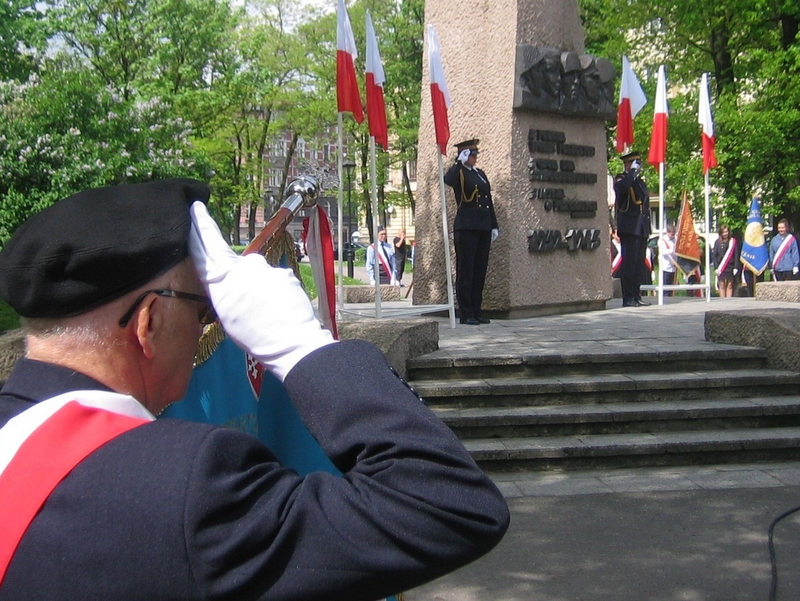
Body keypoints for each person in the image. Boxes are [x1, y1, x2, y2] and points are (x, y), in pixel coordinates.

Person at [0, 179, 509, 600]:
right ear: (149, 324)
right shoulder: (188, 486)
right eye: (204, 310)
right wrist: (301, 344)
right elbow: (453, 505)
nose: (209, 329)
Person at [443, 139, 499, 325]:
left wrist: (494, 224)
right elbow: (447, 180)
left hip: (483, 226)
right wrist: (458, 162)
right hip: (466, 226)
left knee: (479, 271)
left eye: (475, 155)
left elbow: (488, 200)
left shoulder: (480, 174)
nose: (475, 158)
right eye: (471, 154)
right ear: (465, 155)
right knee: (466, 271)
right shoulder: (458, 172)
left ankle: (477, 310)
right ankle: (466, 313)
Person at [613, 149, 652, 307]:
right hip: (629, 228)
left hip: (641, 228)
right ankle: (627, 297)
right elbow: (623, 188)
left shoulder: (639, 182)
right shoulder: (622, 179)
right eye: (634, 162)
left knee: (638, 265)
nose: (638, 165)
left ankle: (636, 295)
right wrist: (632, 172)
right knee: (629, 264)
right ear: (627, 164)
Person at [712, 225, 740, 297]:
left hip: (730, 266)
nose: (725, 233)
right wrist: (716, 267)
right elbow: (714, 255)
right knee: (721, 284)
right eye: (723, 232)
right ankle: (722, 301)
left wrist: (736, 267)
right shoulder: (717, 242)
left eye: (726, 232)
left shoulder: (732, 241)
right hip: (721, 266)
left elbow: (736, 254)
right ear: (721, 233)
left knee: (730, 284)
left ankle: (728, 300)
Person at [658, 224, 676, 296]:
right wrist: (673, 250)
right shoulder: (662, 240)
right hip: (665, 267)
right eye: (672, 234)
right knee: (665, 287)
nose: (673, 236)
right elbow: (663, 252)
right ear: (667, 232)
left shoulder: (675, 239)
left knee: (672, 287)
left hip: (673, 266)